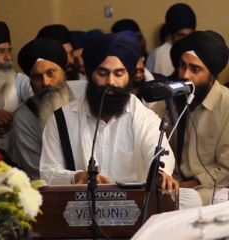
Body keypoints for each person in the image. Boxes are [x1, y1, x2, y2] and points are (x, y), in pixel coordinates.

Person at [40, 32, 202, 209]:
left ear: (129, 76)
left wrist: (160, 173)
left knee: (191, 198)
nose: (111, 81)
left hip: (134, 204)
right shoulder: (61, 119)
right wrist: (76, 177)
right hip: (83, 205)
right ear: (88, 73)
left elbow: (155, 150)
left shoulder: (143, 115)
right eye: (102, 73)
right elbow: (48, 172)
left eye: (119, 74)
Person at [168, 30, 229, 205]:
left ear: (212, 75)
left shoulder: (226, 105)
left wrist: (189, 184)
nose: (185, 75)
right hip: (171, 185)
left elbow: (226, 169)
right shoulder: (169, 101)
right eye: (182, 65)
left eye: (195, 69)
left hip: (210, 189)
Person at [9, 38, 74, 180]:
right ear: (30, 81)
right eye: (37, 77)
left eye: (51, 73)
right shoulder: (24, 117)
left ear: (63, 72)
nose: (45, 82)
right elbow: (38, 174)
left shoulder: (83, 101)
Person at [0, 21, 32, 151]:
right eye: (0, 51)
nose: (8, 57)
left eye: (9, 50)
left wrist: (11, 119)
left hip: (14, 155)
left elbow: (38, 98)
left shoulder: (20, 81)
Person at [145, 3, 196, 76]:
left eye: (190, 36)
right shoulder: (158, 54)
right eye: (181, 36)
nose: (186, 40)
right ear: (171, 36)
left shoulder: (197, 53)